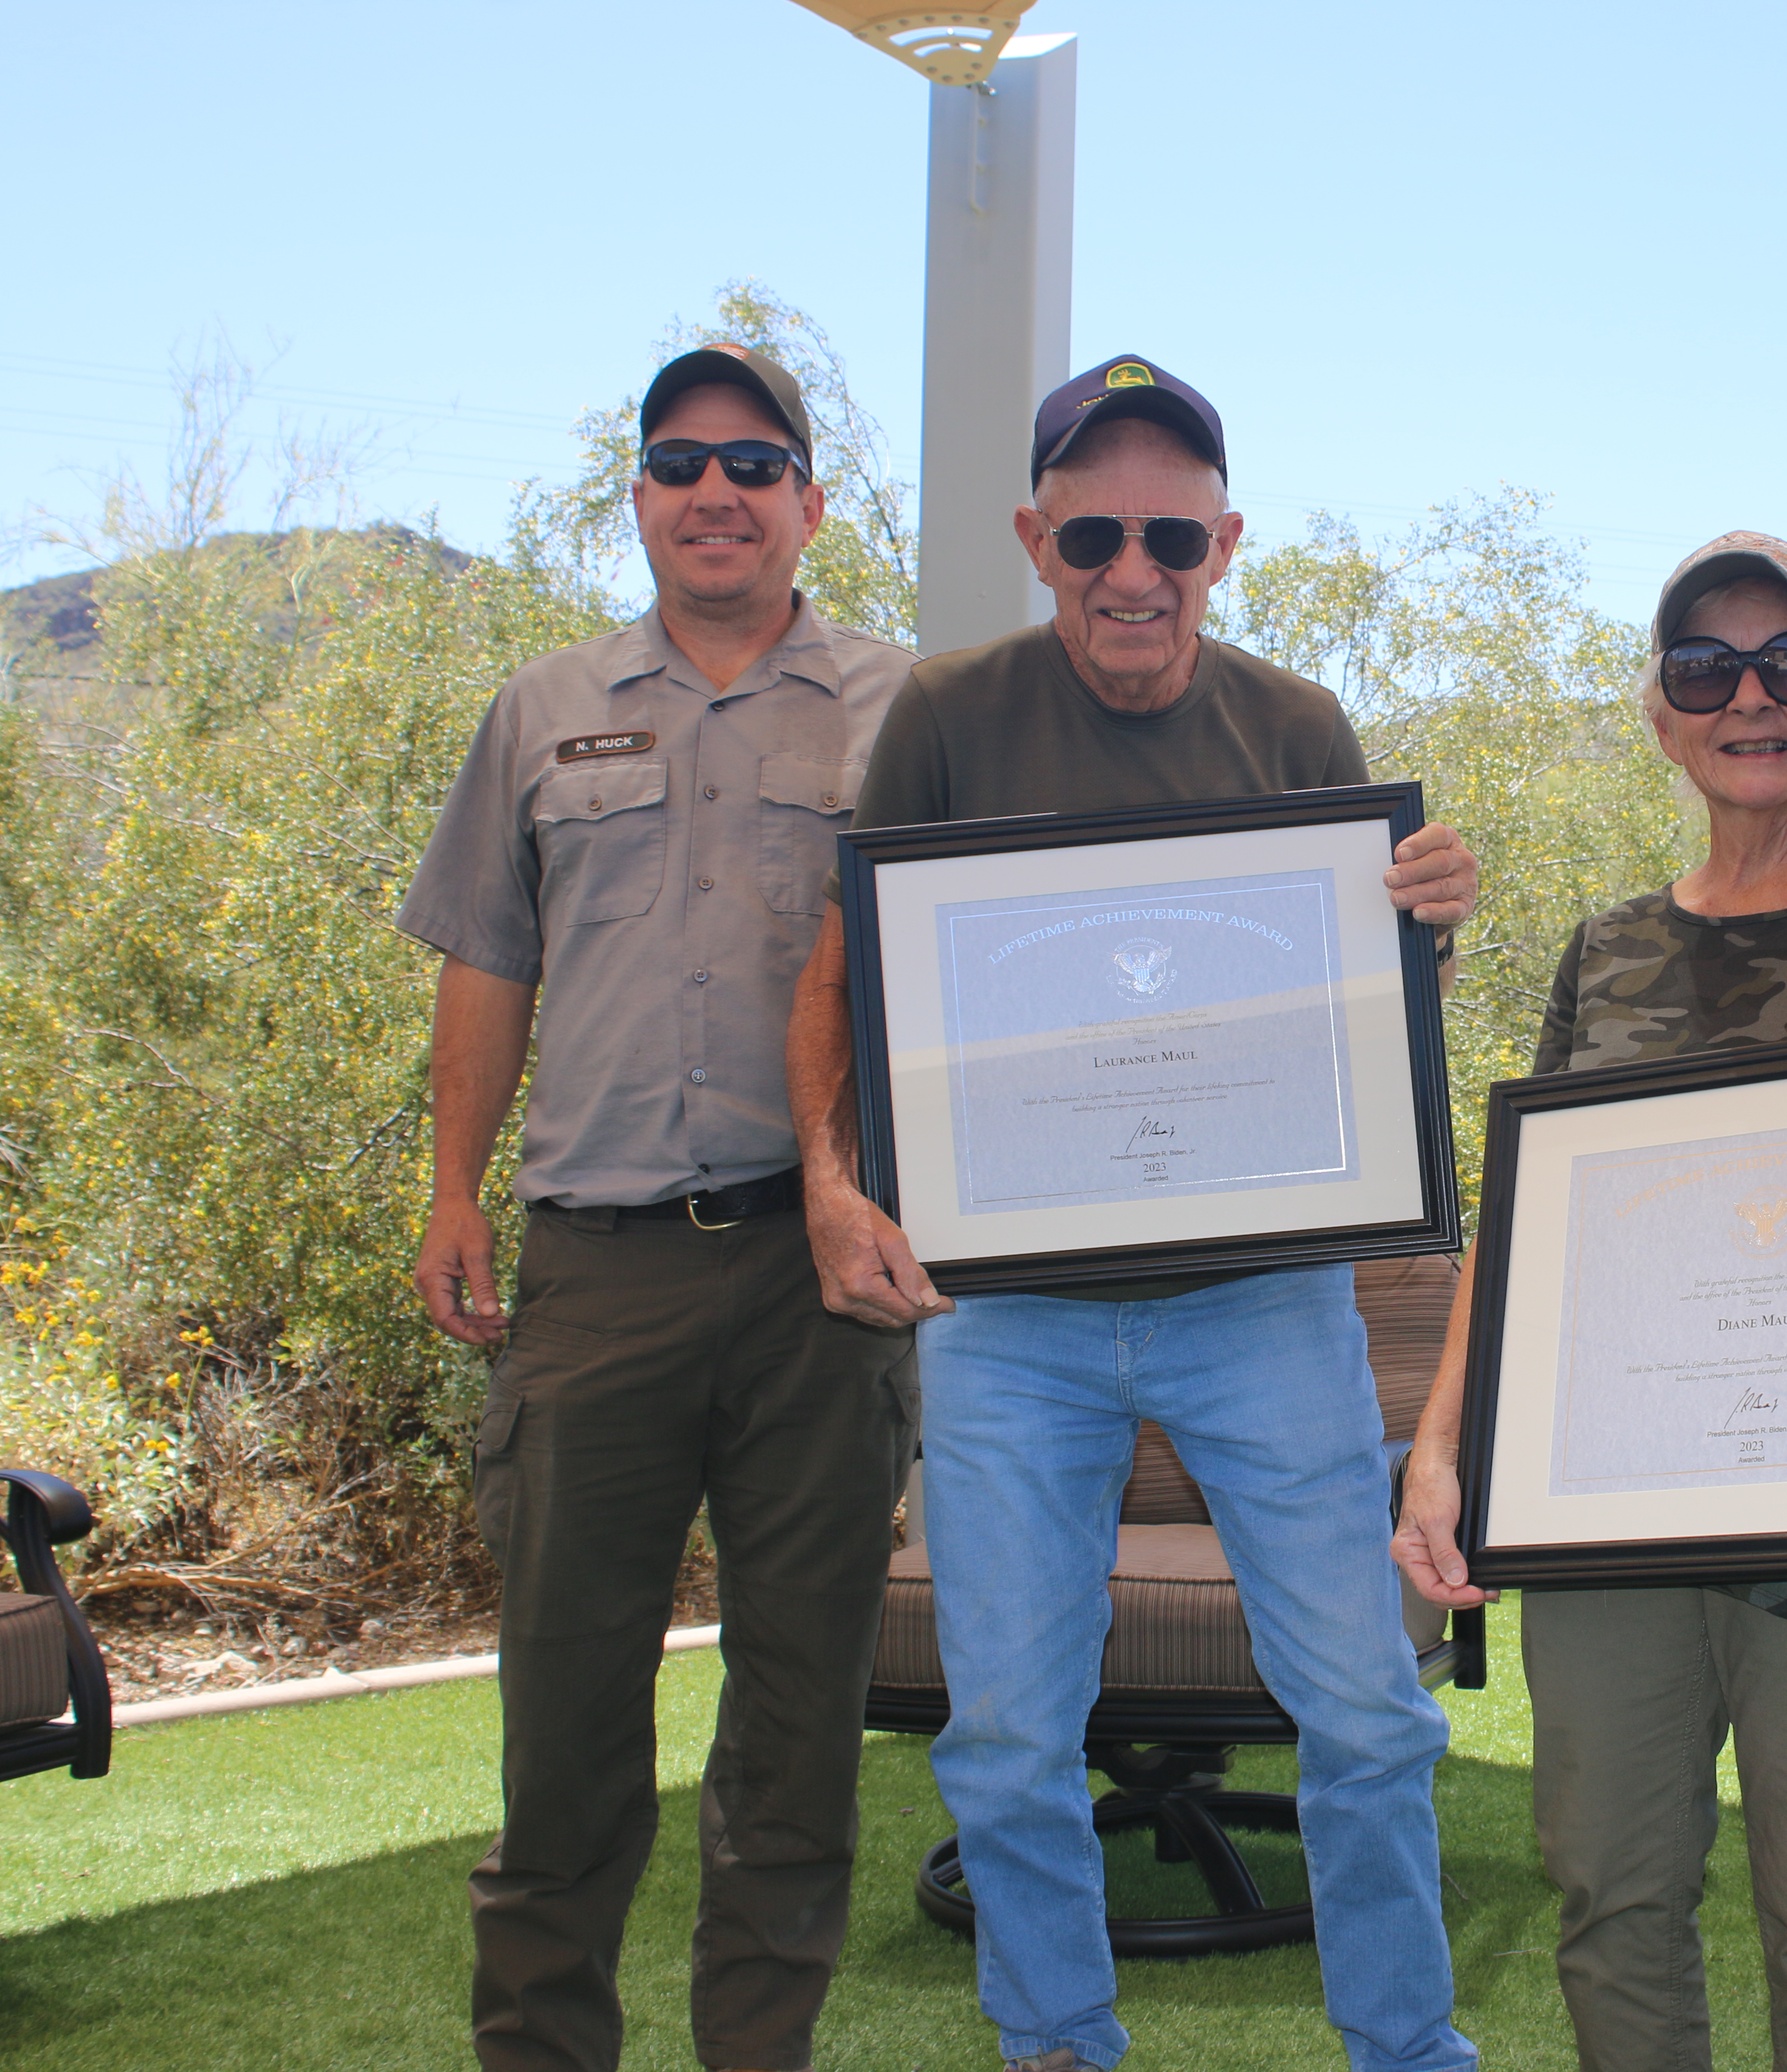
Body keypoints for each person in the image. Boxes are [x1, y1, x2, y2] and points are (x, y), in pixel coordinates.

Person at [784, 354, 1481, 2072]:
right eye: (1092, 530)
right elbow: (848, 968)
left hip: (1264, 1307)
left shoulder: (1299, 725)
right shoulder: (947, 715)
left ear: (1225, 542)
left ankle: (1409, 2049)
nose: (1132, 568)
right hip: (1008, 1321)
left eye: (1170, 532)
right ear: (1038, 536)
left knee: (1368, 1717)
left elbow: (1341, 1000)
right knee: (1010, 1738)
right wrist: (826, 1178)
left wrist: (1423, 928)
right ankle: (1055, 2047)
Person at [1394, 531, 1787, 2072]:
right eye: (1705, 669)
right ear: (1663, 718)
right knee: (1608, 1891)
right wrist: (1444, 1448)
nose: (1751, 696)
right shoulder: (1608, 948)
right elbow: (1531, 1217)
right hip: (1611, 1512)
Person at [400, 344, 920, 2072]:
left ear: (810, 503)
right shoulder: (543, 708)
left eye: (756, 464)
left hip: (819, 1283)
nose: (718, 493)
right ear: (638, 497)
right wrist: (448, 1192)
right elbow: (488, 957)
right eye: (683, 463)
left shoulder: (900, 709)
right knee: (563, 1723)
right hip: (593, 1273)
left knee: (796, 1728)